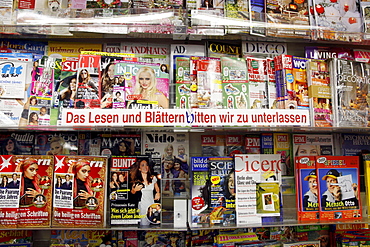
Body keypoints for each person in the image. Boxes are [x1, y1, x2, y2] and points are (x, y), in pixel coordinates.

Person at [129, 158, 160, 225]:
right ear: (139, 168)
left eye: (146, 165)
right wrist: (134, 190)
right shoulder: (137, 180)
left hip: (152, 204)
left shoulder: (153, 178)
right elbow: (132, 192)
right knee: (144, 223)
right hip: (143, 205)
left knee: (154, 222)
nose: (145, 167)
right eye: (142, 165)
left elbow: (157, 188)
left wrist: (158, 193)